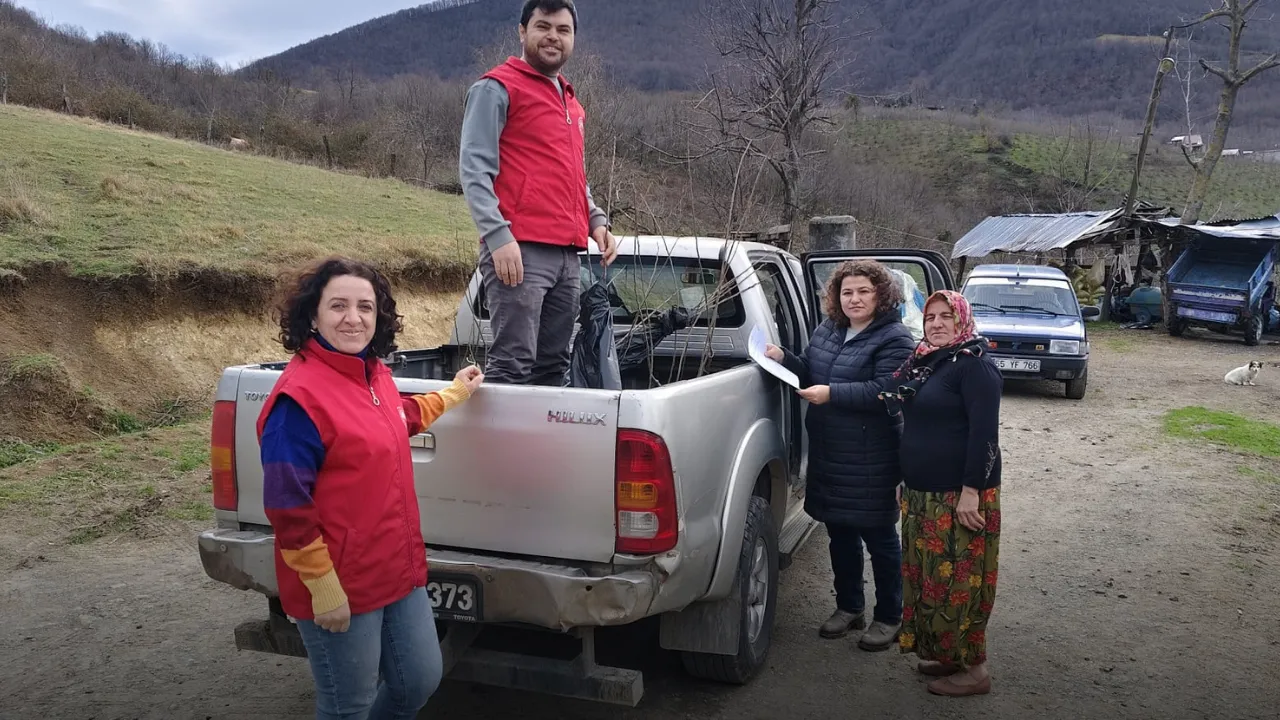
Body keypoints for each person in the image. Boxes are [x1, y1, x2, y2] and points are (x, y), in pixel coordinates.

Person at [257, 257, 485, 719]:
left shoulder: (370, 372)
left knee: (418, 680)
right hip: (339, 581)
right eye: (337, 305)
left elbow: (395, 418)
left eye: (365, 306)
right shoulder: (297, 399)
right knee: (349, 706)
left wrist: (454, 394)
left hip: (396, 570)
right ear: (313, 315)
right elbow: (287, 506)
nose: (353, 317)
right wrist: (323, 587)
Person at [459, 0, 619, 386]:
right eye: (543, 27)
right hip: (520, 251)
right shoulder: (496, 88)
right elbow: (474, 169)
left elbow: (574, 176)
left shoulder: (570, 100)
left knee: (552, 368)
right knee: (512, 366)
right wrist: (499, 237)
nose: (553, 37)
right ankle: (500, 450)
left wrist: (596, 219)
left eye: (563, 30)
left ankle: (541, 450)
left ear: (573, 39)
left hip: (567, 255)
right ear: (522, 32)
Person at [765, 259, 915, 651]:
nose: (855, 299)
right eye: (847, 291)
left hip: (874, 454)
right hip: (831, 450)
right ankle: (850, 607)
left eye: (864, 291)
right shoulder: (829, 330)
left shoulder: (895, 338)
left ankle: (889, 615)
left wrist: (832, 395)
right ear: (837, 296)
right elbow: (812, 374)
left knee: (880, 539)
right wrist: (784, 359)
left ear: (882, 294)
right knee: (839, 533)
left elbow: (888, 390)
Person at [880, 289, 1003, 697]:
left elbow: (985, 437)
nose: (935, 323)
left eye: (945, 316)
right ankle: (950, 656)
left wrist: (972, 491)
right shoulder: (924, 363)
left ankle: (975, 670)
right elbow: (885, 393)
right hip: (921, 494)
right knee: (928, 579)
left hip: (958, 496)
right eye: (930, 316)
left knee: (959, 584)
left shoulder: (974, 367)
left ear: (962, 319)